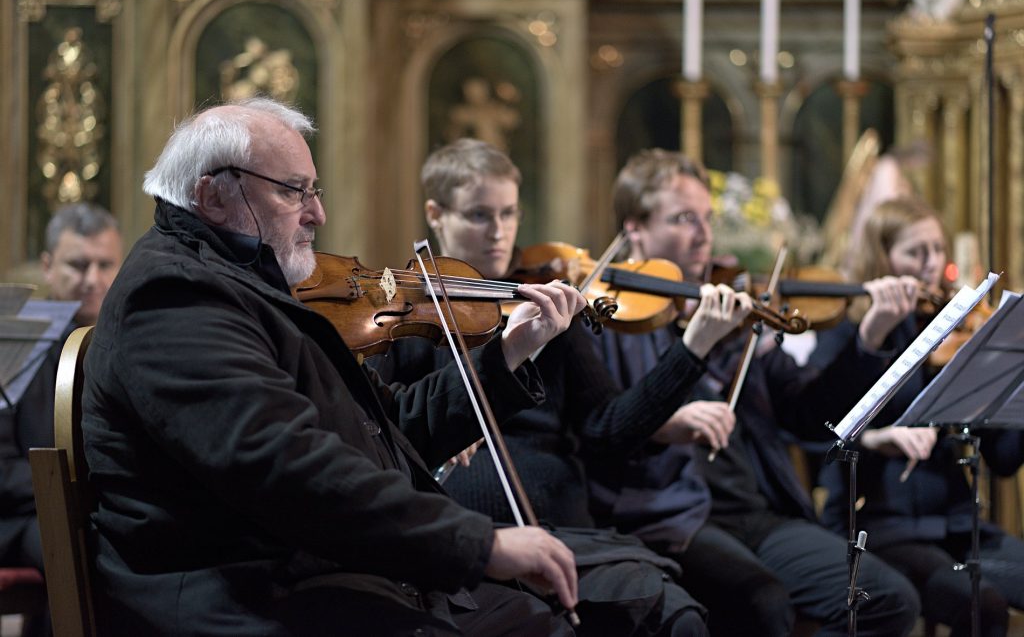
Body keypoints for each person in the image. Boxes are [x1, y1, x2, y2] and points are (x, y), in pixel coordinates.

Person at [81, 98, 595, 636]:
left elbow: (385, 427)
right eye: (291, 190)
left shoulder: (248, 283)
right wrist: (477, 543)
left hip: (318, 576)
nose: (317, 213)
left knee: (581, 611)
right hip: (248, 598)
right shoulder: (173, 298)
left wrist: (507, 352)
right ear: (212, 195)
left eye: (313, 190)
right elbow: (283, 465)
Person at [368, 138, 753, 637]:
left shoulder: (545, 309)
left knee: (678, 620)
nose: (499, 233)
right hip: (467, 544)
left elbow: (610, 431)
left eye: (509, 214)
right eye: (480, 215)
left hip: (567, 535)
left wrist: (691, 350)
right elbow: (383, 433)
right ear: (436, 214)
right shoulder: (403, 315)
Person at [586, 148, 923, 636]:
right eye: (683, 219)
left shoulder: (738, 313)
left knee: (886, 598)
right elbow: (603, 431)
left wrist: (868, 339)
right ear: (634, 229)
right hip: (669, 516)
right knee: (761, 606)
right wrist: (668, 420)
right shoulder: (610, 319)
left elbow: (811, 416)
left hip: (756, 511)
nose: (704, 235)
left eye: (708, 218)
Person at [814, 196, 1024, 637]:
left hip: (953, 520)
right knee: (980, 603)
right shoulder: (849, 335)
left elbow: (1004, 460)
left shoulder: (953, 335)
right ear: (882, 258)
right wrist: (875, 437)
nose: (932, 265)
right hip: (882, 524)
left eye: (937, 249)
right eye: (916, 252)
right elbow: (817, 429)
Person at [0, 202, 123, 573]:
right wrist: (74, 487)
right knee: (85, 551)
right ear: (48, 267)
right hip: (22, 515)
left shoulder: (128, 343)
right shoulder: (13, 343)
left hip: (96, 506)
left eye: (105, 265)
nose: (92, 280)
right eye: (78, 264)